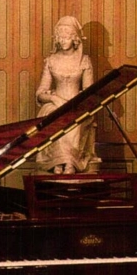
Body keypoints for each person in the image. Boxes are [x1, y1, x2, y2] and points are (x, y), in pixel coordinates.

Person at [35, 16, 98, 174]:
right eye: (60, 37)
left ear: (75, 39)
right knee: (53, 117)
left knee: (74, 120)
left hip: (77, 104)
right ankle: (57, 161)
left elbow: (89, 92)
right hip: (54, 105)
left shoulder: (84, 61)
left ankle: (70, 162)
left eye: (67, 37)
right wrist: (54, 98)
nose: (62, 41)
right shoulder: (51, 61)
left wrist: (76, 102)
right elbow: (40, 93)